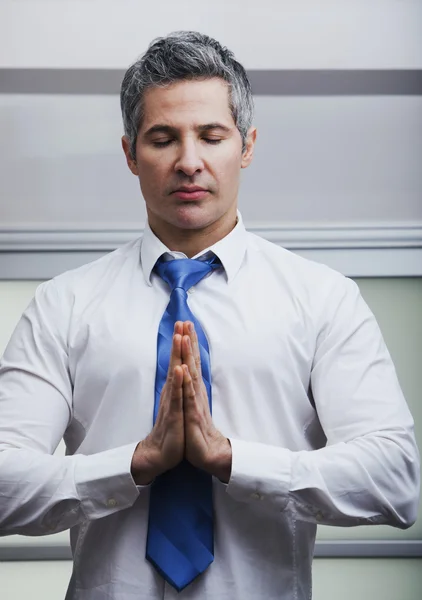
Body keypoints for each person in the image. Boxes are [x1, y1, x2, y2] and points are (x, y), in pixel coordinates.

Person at [0, 30, 419, 600]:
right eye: (163, 138)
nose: (188, 161)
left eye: (211, 136)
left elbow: (395, 482)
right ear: (130, 154)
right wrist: (132, 465)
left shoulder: (323, 299)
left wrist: (233, 460)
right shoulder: (63, 305)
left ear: (246, 146)